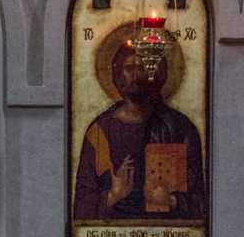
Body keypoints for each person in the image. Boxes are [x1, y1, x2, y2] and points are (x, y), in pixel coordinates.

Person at [73, 43, 205, 221]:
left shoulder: (180, 128)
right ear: (117, 74)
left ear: (157, 74)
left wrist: (172, 201)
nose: (135, 74)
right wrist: (113, 195)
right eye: (129, 67)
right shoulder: (100, 132)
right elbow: (82, 207)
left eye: (142, 67)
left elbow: (200, 202)